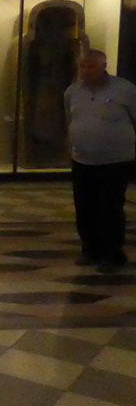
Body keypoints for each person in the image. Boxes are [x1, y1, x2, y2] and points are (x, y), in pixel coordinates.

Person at [64, 49, 136, 271]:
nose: (86, 71)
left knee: (110, 207)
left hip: (114, 160)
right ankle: (90, 249)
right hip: (82, 159)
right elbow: (70, 119)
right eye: (83, 67)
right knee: (85, 207)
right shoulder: (72, 91)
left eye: (91, 67)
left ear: (104, 66)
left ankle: (112, 253)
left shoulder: (125, 90)